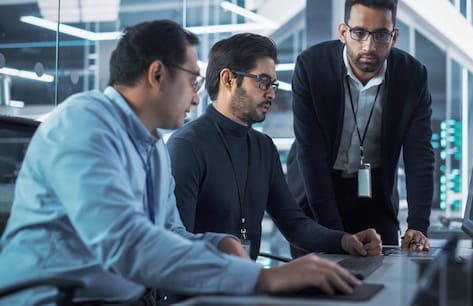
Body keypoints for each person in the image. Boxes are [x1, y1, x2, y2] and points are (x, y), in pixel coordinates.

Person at [0, 20, 363, 305]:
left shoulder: (153, 145)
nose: (196, 94)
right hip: (56, 298)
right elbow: (126, 244)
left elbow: (169, 232)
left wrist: (217, 243)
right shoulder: (83, 124)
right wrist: (262, 278)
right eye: (192, 79)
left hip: (122, 297)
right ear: (157, 74)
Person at [167, 33, 382, 261]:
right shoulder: (187, 146)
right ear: (228, 79)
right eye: (263, 82)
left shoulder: (263, 147)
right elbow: (177, 246)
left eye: (273, 84)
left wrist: (345, 240)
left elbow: (294, 225)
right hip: (201, 291)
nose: (271, 93)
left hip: (244, 286)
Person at [286, 0, 434, 253]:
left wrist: (418, 225)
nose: (369, 46)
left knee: (386, 271)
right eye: (359, 33)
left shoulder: (412, 76)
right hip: (316, 189)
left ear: (394, 36)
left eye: (381, 35)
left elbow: (419, 154)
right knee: (320, 276)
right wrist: (336, 237)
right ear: (343, 32)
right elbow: (310, 154)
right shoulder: (311, 67)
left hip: (374, 195)